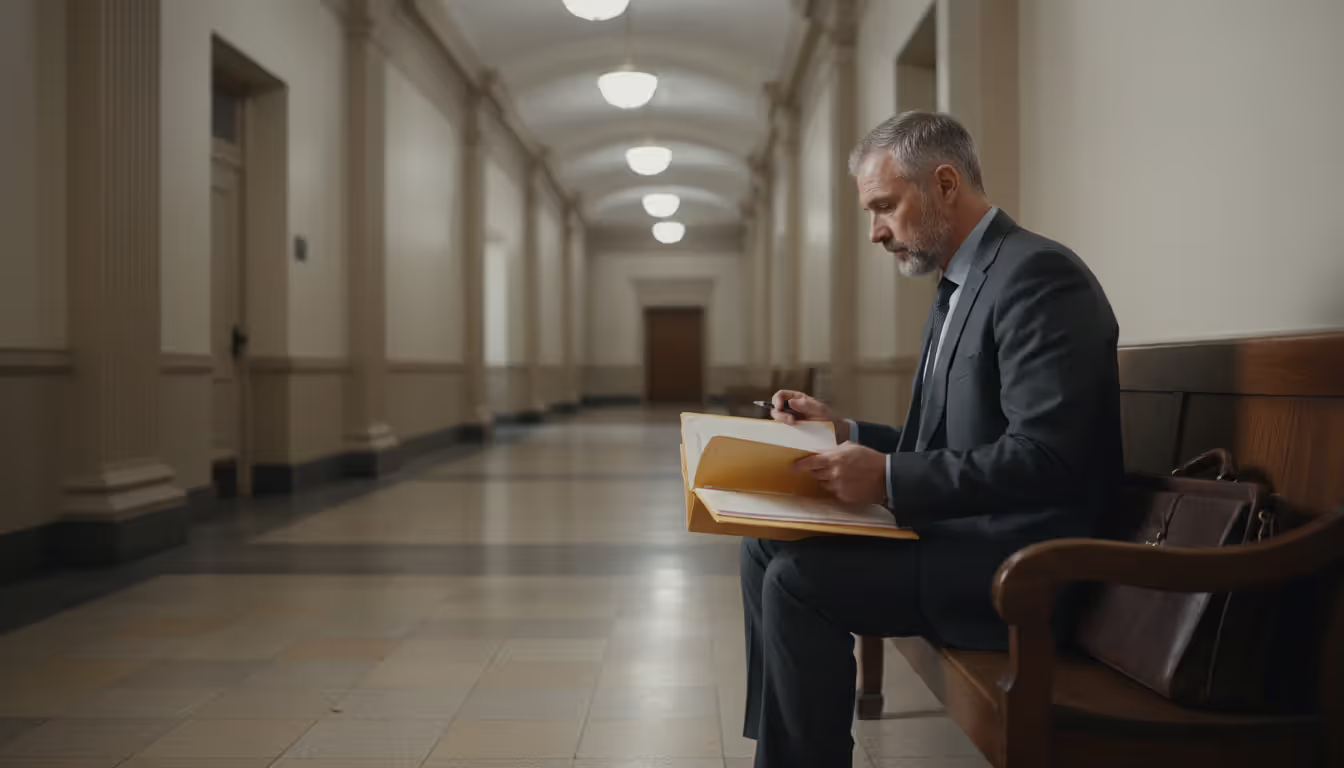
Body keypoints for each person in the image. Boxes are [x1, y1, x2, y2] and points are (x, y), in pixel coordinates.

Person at [739, 110, 1123, 768]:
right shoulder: (956, 288)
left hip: (1022, 563)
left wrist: (886, 479)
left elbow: (1049, 459)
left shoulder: (1037, 278)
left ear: (945, 184)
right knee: (761, 535)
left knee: (800, 581)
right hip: (969, 536)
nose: (874, 232)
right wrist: (844, 433)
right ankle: (781, 750)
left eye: (884, 206)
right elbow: (936, 441)